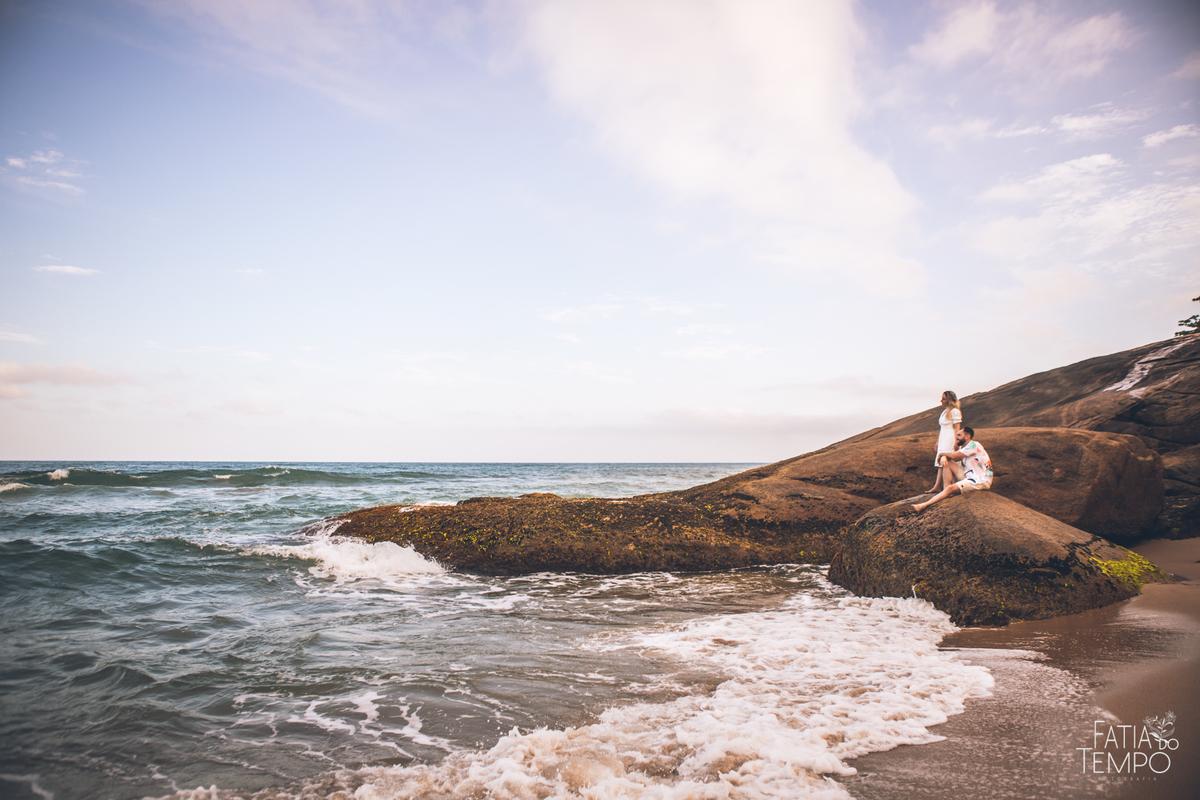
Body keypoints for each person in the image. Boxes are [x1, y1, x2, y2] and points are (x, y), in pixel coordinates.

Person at [912, 426, 992, 512]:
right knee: (948, 463)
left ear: (967, 436)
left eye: (959, 435)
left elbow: (953, 456)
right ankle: (945, 490)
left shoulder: (974, 445)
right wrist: (944, 457)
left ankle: (924, 505)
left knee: (950, 488)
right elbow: (952, 459)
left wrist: (941, 454)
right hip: (969, 476)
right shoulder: (964, 448)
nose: (956, 437)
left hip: (980, 480)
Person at [926, 390, 962, 494]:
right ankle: (937, 486)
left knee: (947, 462)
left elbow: (957, 427)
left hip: (950, 439)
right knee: (941, 463)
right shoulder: (945, 412)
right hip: (943, 439)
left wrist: (956, 441)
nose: (941, 400)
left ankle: (948, 486)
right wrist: (938, 441)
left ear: (949, 400)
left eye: (944, 398)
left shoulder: (954, 411)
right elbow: (942, 428)